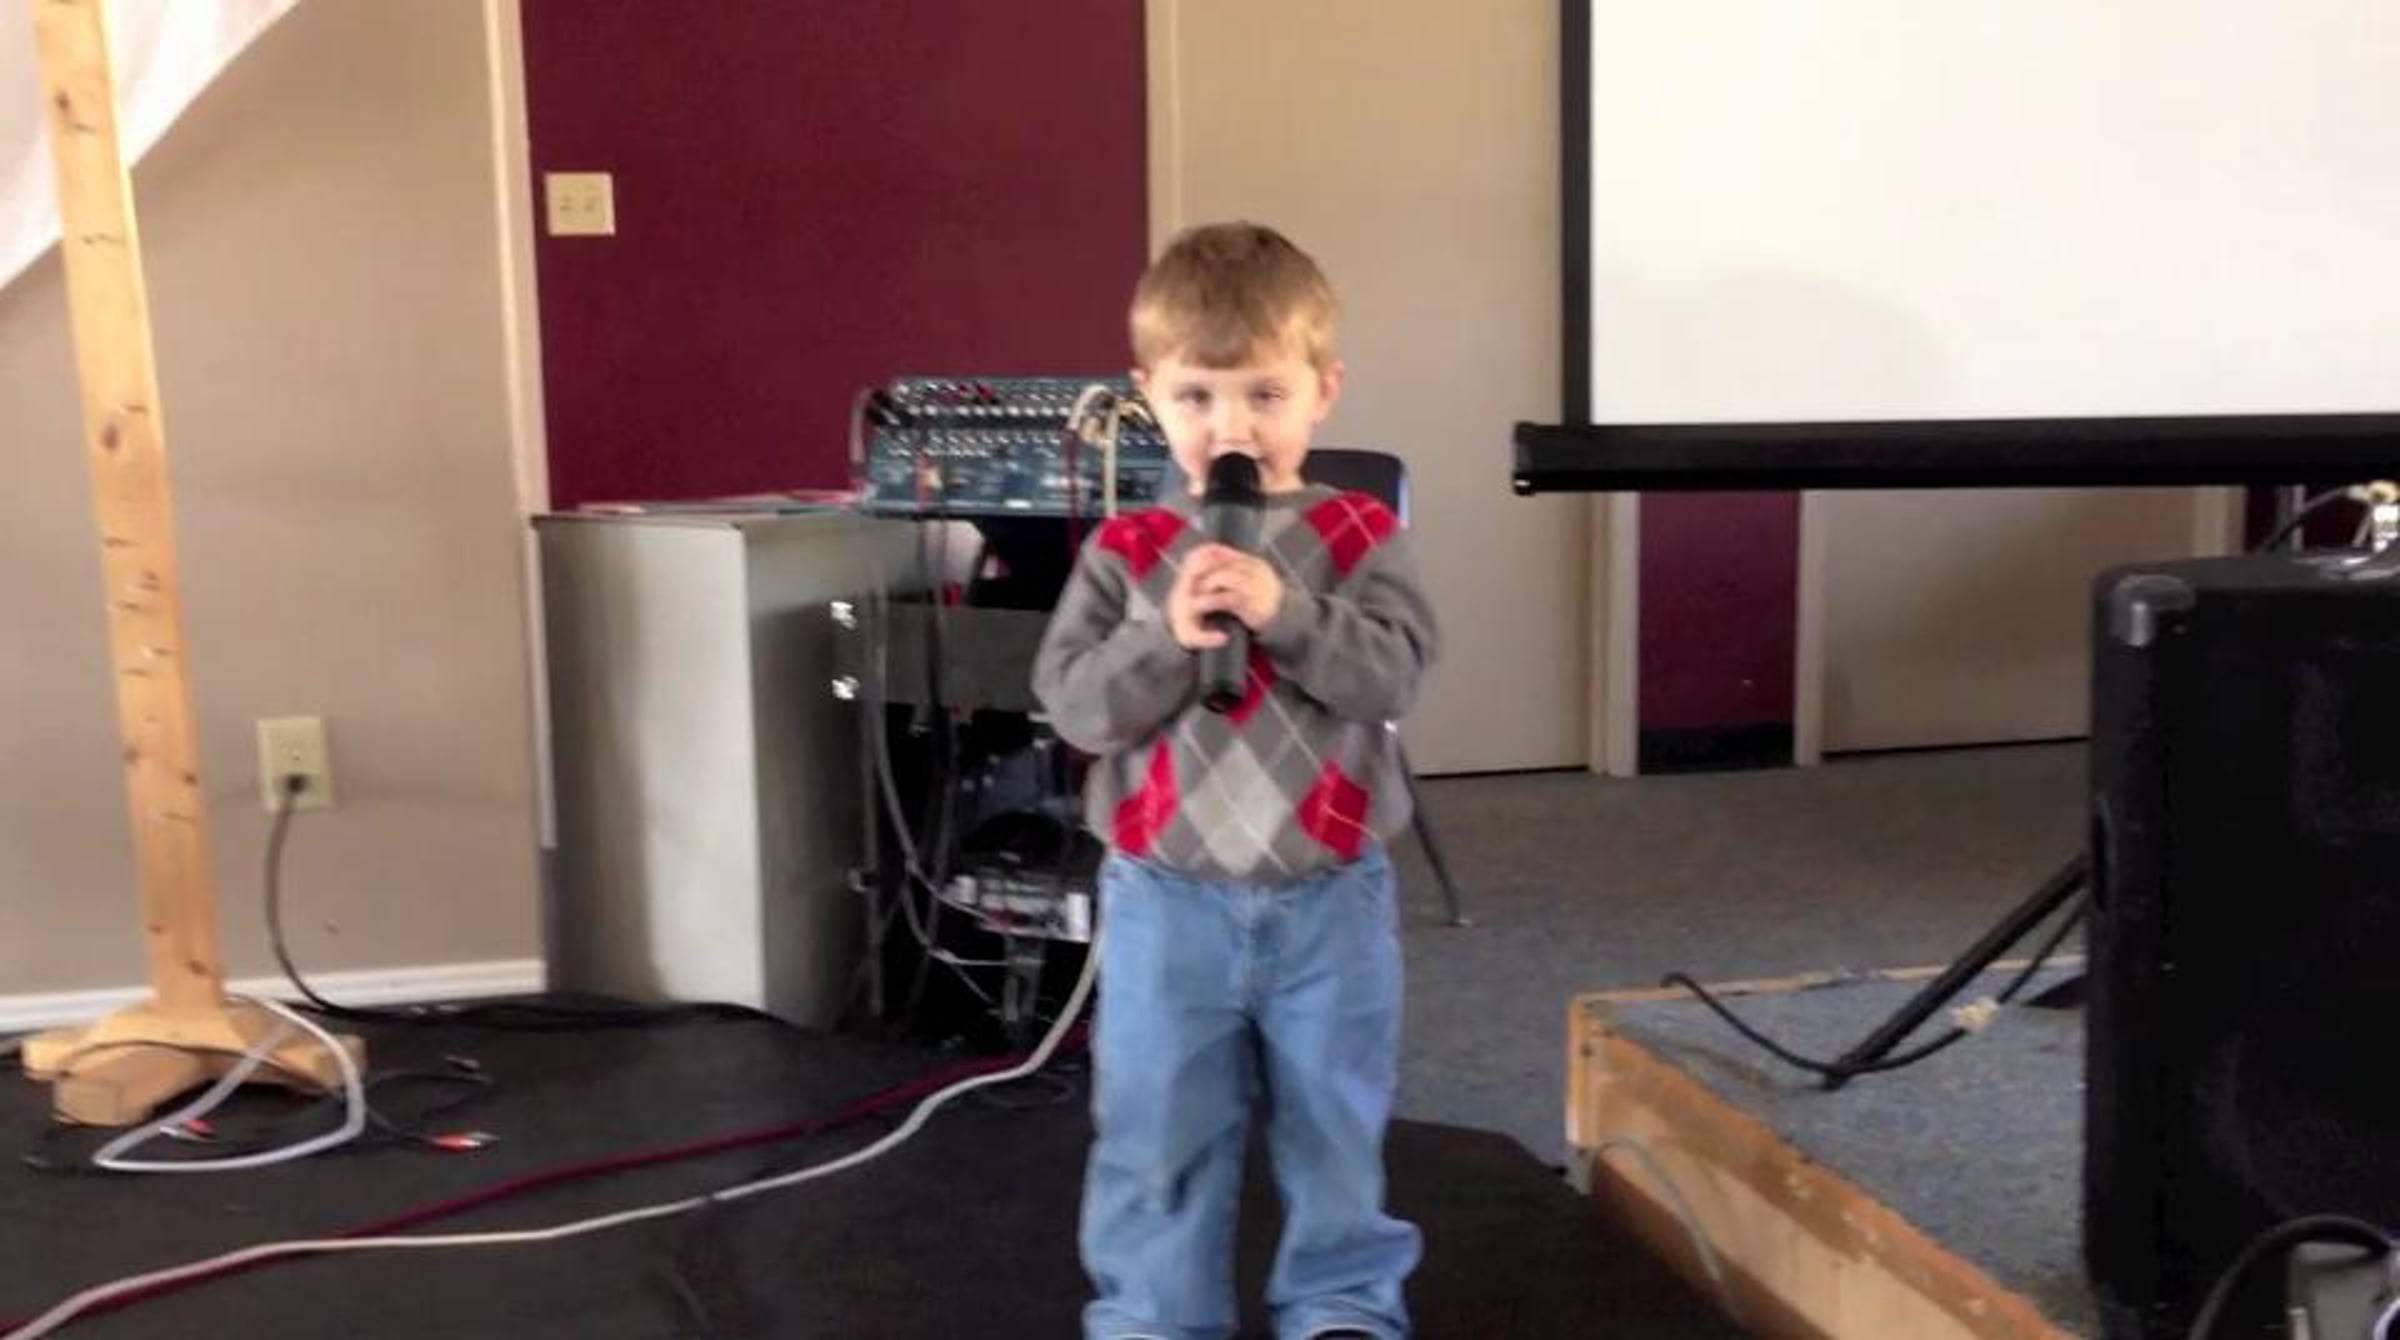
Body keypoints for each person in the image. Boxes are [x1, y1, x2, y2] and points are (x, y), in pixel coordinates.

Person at [1033, 221, 1440, 1340]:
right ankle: (1153, 1315)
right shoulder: (1126, 548)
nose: (1232, 428)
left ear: (1323, 391)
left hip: (1329, 898)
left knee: (1335, 1123)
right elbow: (1077, 706)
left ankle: (1342, 1304)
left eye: (1265, 394)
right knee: (1157, 1130)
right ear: (1149, 398)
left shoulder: (1358, 534)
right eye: (1198, 397)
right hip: (1168, 902)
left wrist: (1288, 613)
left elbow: (1394, 674)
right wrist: (1165, 636)